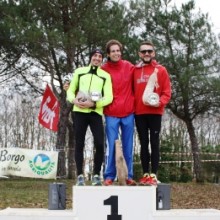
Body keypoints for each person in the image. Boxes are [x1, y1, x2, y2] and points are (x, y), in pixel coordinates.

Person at [67, 49, 113, 186]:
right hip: (80, 111)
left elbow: (109, 97)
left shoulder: (105, 75)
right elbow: (70, 89)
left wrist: (94, 104)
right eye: (95, 56)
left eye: (100, 56)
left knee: (99, 143)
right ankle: (80, 175)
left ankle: (96, 175)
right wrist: (73, 100)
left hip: (95, 113)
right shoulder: (79, 72)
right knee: (79, 143)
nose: (97, 58)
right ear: (90, 57)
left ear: (102, 60)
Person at [133, 41, 171, 186]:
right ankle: (145, 174)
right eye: (144, 51)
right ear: (139, 54)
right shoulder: (135, 70)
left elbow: (167, 92)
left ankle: (154, 174)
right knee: (143, 143)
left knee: (154, 143)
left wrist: (159, 102)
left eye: (149, 51)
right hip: (139, 113)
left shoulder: (161, 70)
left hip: (155, 113)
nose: (147, 54)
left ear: (153, 53)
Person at [101, 39, 136, 186]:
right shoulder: (103, 70)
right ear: (108, 54)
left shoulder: (129, 66)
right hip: (111, 113)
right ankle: (109, 176)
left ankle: (129, 176)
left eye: (118, 50)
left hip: (129, 112)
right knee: (112, 146)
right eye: (113, 51)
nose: (116, 53)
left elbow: (141, 78)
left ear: (121, 52)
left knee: (128, 147)